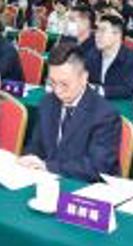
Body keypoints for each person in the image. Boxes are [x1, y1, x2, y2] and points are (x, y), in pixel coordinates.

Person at [19, 42, 120, 181]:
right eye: (52, 82)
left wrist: (47, 166)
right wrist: (30, 158)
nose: (58, 91)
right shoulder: (47, 103)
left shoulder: (105, 114)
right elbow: (36, 144)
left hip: (84, 186)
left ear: (84, 78)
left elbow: (97, 167)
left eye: (64, 84)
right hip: (47, 180)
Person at [89, 12, 133, 99]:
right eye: (97, 30)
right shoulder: (92, 54)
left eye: (102, 31)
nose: (97, 35)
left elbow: (130, 89)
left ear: (117, 35)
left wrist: (99, 90)